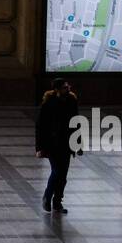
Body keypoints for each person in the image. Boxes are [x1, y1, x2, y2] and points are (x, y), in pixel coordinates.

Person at [35, 77, 81, 214]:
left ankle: (57, 202)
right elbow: (40, 127)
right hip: (52, 144)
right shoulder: (48, 103)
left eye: (68, 86)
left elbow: (76, 122)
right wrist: (39, 148)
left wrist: (78, 144)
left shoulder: (72, 100)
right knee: (56, 171)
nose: (68, 89)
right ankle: (47, 197)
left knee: (63, 175)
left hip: (66, 144)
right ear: (57, 89)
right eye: (65, 87)